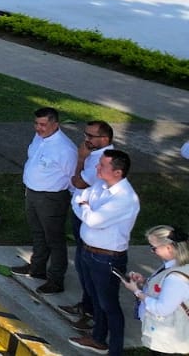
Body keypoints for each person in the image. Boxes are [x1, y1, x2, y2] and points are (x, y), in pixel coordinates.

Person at [71, 149, 141, 356]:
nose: (97, 168)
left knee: (109, 304)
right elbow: (78, 198)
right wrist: (86, 207)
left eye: (102, 166)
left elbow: (93, 220)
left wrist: (85, 208)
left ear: (118, 172)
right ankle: (98, 338)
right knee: (95, 298)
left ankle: (115, 350)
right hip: (88, 251)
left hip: (107, 258)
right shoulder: (101, 185)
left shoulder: (125, 198)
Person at [16, 106, 79, 293]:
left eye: (43, 124)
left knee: (54, 239)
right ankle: (37, 268)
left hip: (52, 198)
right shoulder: (39, 138)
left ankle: (56, 279)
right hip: (33, 193)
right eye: (36, 123)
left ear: (55, 124)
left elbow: (72, 177)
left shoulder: (65, 149)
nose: (38, 128)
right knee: (38, 234)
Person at [66, 120, 118, 328]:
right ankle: (86, 305)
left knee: (87, 268)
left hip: (91, 220)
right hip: (81, 212)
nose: (86, 140)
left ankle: (93, 315)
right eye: (85, 135)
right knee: (81, 264)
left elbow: (78, 182)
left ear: (104, 139)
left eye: (91, 136)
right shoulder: (94, 154)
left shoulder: (103, 160)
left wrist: (80, 158)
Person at [123, 225, 189, 355]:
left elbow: (161, 309)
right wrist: (146, 281)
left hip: (167, 339)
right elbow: (167, 288)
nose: (152, 251)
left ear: (169, 248)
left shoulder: (175, 278)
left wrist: (137, 292)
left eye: (154, 248)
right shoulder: (175, 266)